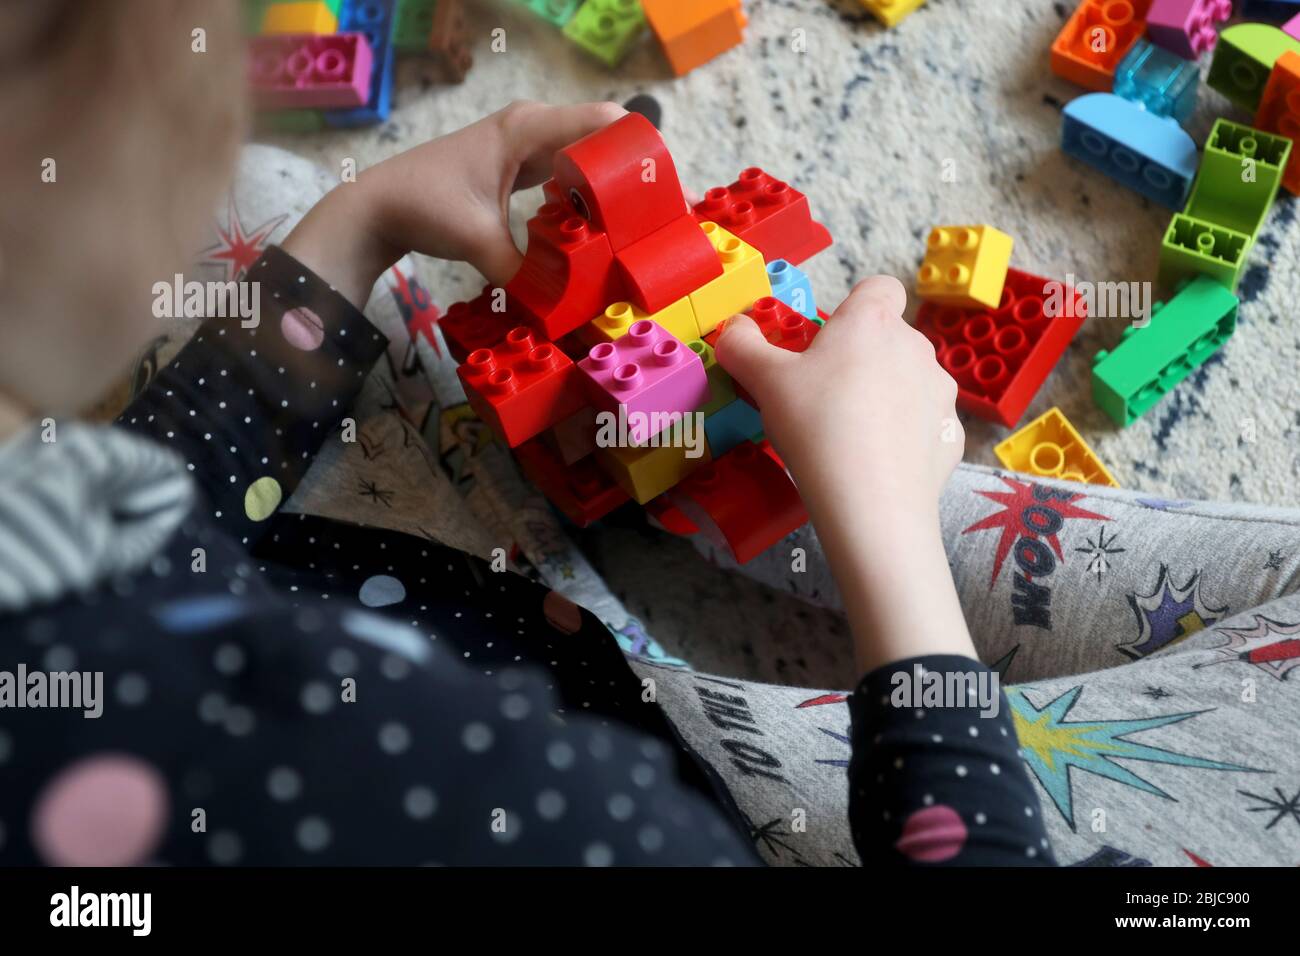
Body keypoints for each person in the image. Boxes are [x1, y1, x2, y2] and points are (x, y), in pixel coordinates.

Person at [0, 0, 1052, 866]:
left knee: (275, 201)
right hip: (774, 789)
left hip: (386, 587)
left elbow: (150, 513)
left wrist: (359, 223)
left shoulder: (56, 555)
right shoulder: (559, 815)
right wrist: (890, 533)